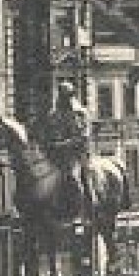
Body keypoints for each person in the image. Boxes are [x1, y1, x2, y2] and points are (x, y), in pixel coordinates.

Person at [44, 81, 95, 213]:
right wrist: (49, 143)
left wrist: (63, 144)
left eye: (66, 96)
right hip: (56, 156)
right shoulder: (53, 115)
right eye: (61, 95)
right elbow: (48, 133)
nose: (63, 99)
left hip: (77, 155)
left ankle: (87, 207)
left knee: (75, 177)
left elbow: (84, 137)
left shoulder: (81, 114)